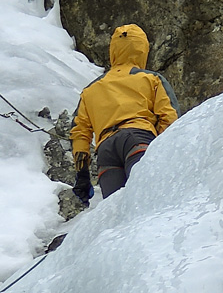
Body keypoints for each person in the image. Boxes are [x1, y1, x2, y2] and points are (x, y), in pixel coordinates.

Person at [70, 23, 180, 202]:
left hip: (106, 150)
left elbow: (79, 132)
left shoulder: (91, 90)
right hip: (137, 139)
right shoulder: (151, 79)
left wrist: (82, 174)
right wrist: (165, 151)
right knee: (147, 202)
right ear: (142, 50)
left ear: (113, 50)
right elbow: (169, 117)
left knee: (117, 215)